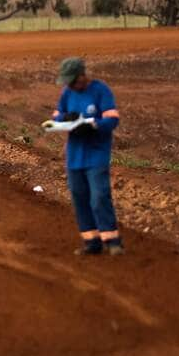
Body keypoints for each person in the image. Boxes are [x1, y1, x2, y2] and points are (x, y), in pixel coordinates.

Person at [52, 57, 123, 256]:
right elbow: (56, 116)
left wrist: (93, 124)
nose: (71, 85)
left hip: (96, 153)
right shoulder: (67, 92)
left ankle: (112, 240)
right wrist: (64, 119)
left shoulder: (101, 90)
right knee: (79, 196)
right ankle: (92, 242)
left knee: (99, 196)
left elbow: (112, 119)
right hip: (74, 155)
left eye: (73, 81)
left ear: (83, 76)